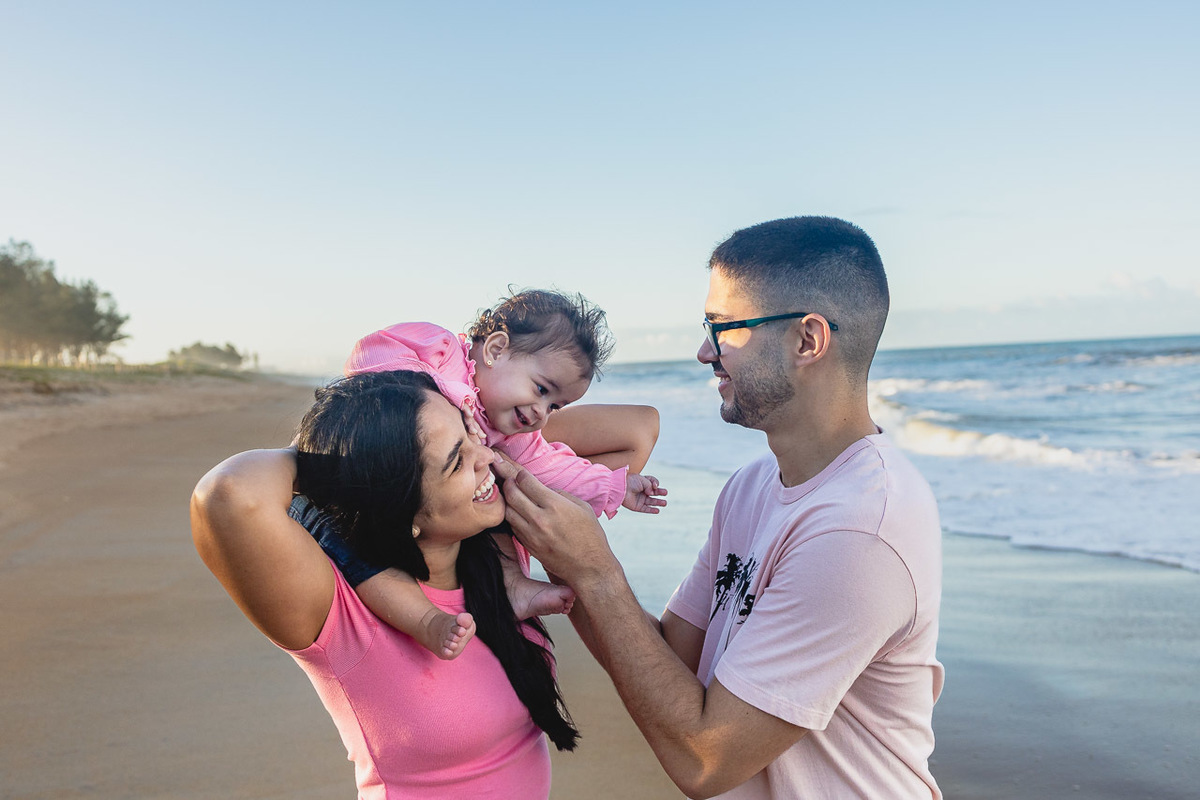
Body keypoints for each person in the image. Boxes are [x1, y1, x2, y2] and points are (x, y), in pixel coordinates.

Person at [496, 216, 945, 799]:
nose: (704, 351)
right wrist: (562, 543)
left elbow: (706, 759)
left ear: (807, 340)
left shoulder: (860, 531)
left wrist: (593, 569)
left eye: (724, 327)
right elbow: (670, 663)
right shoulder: (752, 486)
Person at [191, 370, 579, 798]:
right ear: (399, 507)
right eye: (456, 462)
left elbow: (628, 428)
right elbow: (227, 494)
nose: (486, 456)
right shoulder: (340, 615)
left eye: (470, 432)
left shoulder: (496, 554)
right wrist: (333, 455)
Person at [325, 289, 667, 660]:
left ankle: (511, 584)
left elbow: (550, 468)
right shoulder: (440, 349)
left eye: (555, 406)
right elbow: (370, 353)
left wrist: (614, 487)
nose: (541, 412)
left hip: (442, 505)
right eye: (541, 389)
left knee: (509, 489)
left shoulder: (512, 435)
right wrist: (452, 399)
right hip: (372, 474)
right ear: (496, 349)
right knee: (355, 552)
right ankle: (424, 620)